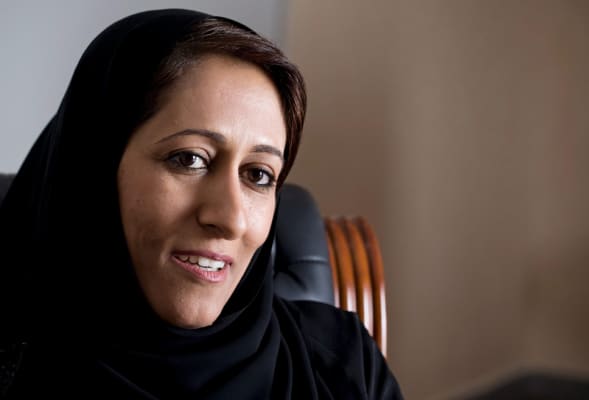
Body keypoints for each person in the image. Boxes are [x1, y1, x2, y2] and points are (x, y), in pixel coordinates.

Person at [0, 8, 403, 399]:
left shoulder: (343, 366)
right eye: (190, 159)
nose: (230, 219)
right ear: (94, 166)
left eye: (258, 175)